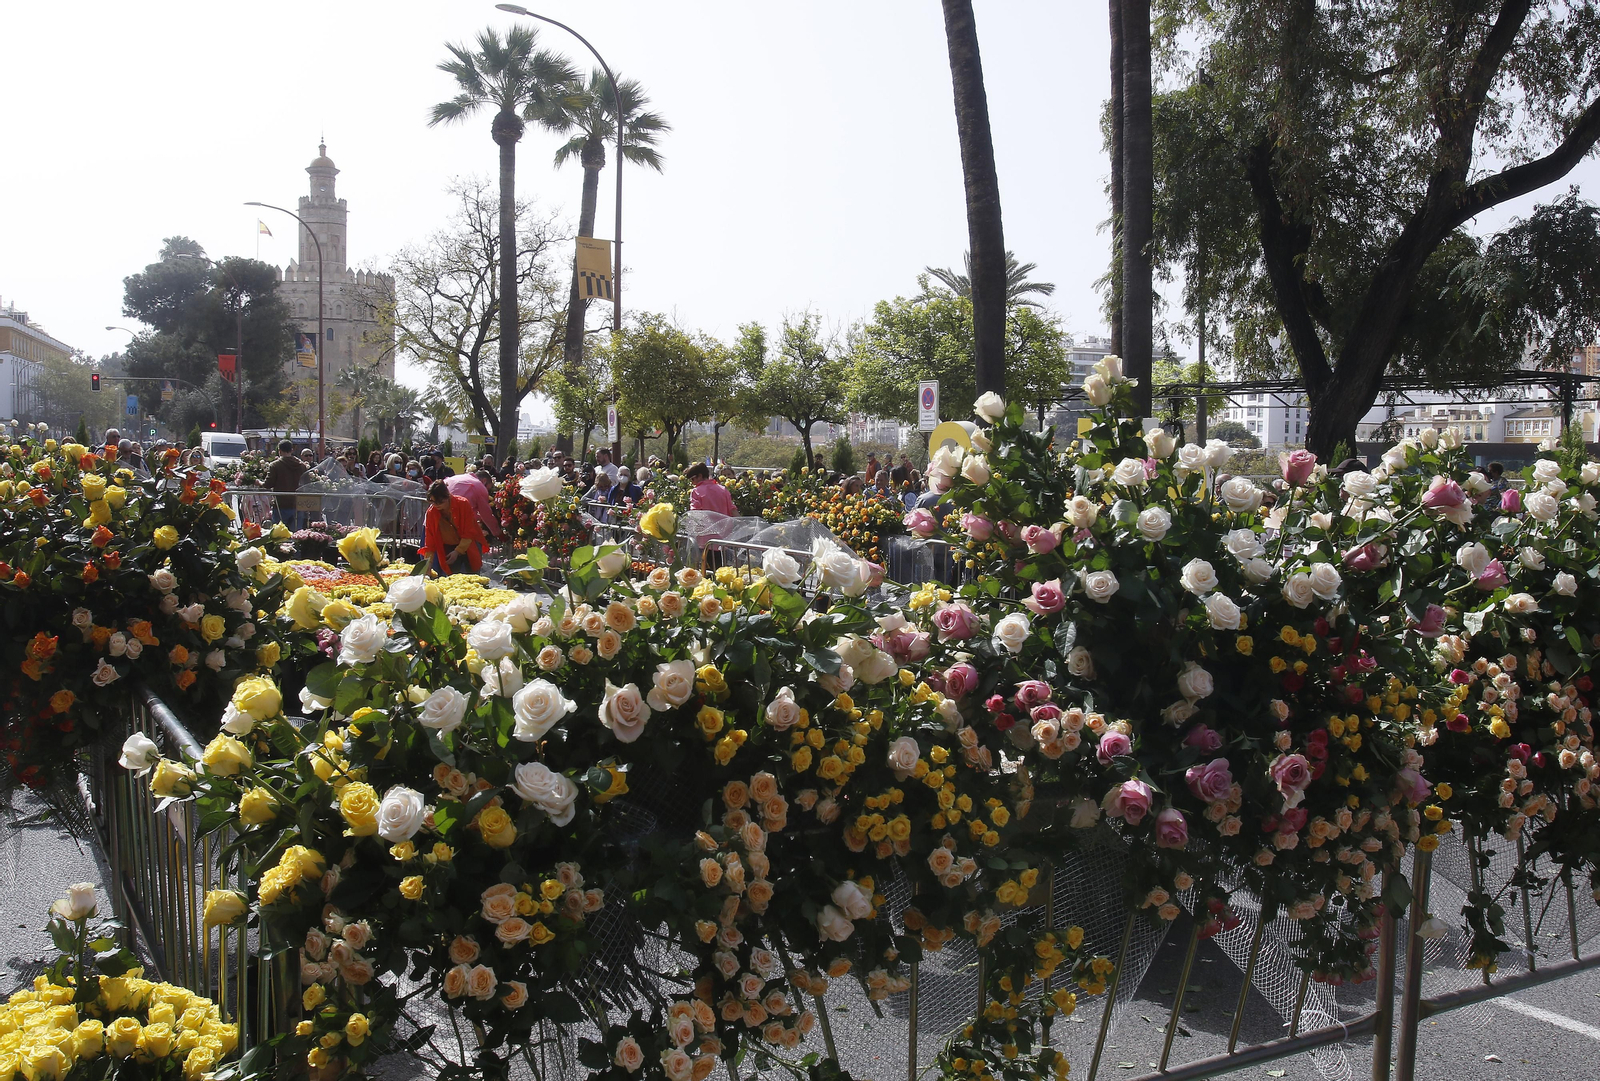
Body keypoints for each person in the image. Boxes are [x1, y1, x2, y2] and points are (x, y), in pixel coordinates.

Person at [420, 479, 488, 577]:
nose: (436, 505)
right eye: (433, 502)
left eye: (440, 502)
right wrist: (428, 564)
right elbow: (430, 542)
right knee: (451, 578)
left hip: (469, 544)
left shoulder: (463, 504)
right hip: (448, 547)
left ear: (447, 497)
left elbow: (469, 532)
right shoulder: (431, 513)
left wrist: (457, 551)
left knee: (473, 576)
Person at [444, 471, 505, 540]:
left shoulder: (456, 477)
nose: (487, 491)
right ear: (484, 481)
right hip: (456, 524)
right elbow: (486, 515)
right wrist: (498, 533)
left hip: (439, 519)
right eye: (488, 488)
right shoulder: (479, 486)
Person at [266, 440, 309, 529]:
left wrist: (258, 482)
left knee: (279, 535)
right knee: (296, 535)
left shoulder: (275, 465)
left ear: (279, 451)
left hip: (281, 504)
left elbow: (268, 484)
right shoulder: (302, 466)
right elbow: (307, 483)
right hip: (298, 504)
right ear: (292, 450)